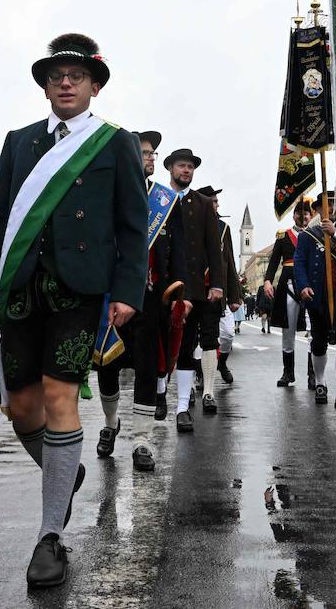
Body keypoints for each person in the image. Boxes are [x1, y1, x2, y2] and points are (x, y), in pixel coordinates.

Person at [0, 33, 147, 588]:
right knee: (21, 408)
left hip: (80, 292)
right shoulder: (19, 142)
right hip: (22, 291)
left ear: (94, 85)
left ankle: (50, 537)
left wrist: (126, 291)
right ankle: (62, 471)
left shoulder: (114, 143)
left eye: (75, 75)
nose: (65, 82)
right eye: (55, 75)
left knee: (59, 395)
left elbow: (131, 226)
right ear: (46, 86)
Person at [94, 130, 189, 471]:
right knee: (107, 364)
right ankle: (110, 423)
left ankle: (142, 440)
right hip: (111, 296)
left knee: (148, 368)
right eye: (145, 152)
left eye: (153, 153)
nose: (151, 158)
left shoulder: (165, 200)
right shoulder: (106, 194)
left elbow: (179, 251)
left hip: (151, 298)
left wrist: (181, 293)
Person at [161, 148, 225, 429]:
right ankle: (160, 393)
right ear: (171, 169)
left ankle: (182, 407)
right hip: (161, 287)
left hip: (195, 289)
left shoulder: (202, 204)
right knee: (160, 346)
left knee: (187, 348)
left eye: (190, 167)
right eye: (181, 166)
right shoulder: (157, 199)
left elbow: (214, 247)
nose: (186, 170)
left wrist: (219, 285)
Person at [293, 192, 336, 407]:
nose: (331, 209)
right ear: (318, 209)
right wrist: (303, 286)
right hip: (318, 296)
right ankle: (320, 381)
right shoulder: (307, 235)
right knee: (318, 342)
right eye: (326, 205)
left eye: (334, 205)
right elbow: (299, 263)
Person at [196, 186, 244, 384]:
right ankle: (201, 374)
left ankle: (222, 363)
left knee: (227, 335)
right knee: (199, 340)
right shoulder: (193, 225)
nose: (217, 204)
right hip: (198, 291)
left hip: (220, 291)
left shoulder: (224, 228)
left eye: (217, 201)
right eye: (214, 201)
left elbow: (229, 262)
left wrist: (235, 296)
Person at [265, 200, 312, 386]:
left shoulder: (314, 235)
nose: (303, 216)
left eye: (307, 213)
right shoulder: (284, 236)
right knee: (288, 330)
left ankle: (313, 375)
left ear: (311, 216)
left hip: (310, 286)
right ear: (294, 216)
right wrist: (268, 280)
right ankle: (288, 373)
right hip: (289, 286)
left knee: (312, 331)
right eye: (300, 213)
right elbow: (274, 260)